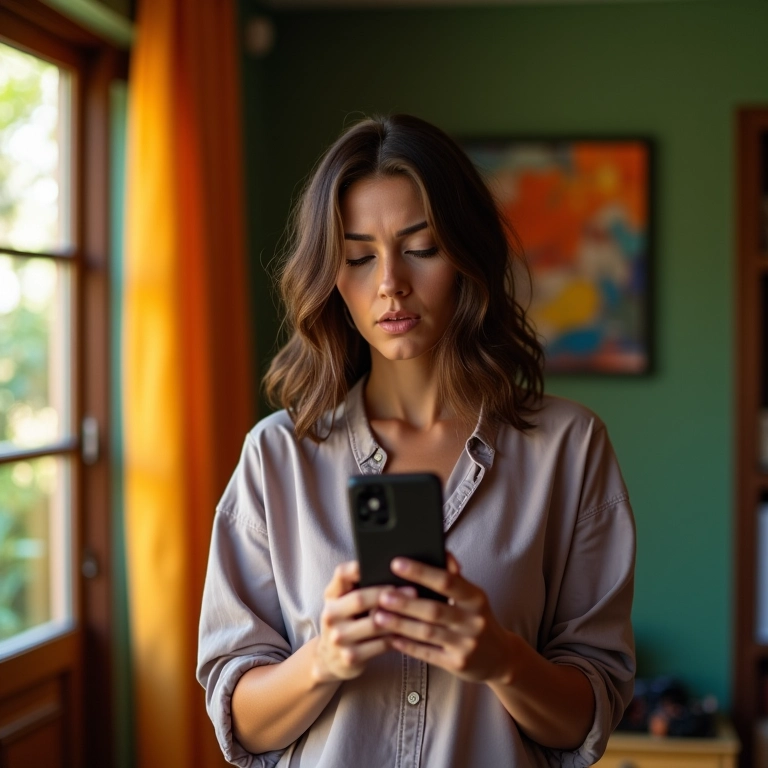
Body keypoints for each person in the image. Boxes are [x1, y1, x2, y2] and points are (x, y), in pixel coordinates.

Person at [196, 114, 636, 768]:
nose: (390, 284)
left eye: (421, 248)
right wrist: (324, 659)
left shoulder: (569, 448)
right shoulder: (276, 457)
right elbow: (240, 723)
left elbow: (586, 718)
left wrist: (502, 660)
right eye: (359, 257)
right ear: (331, 276)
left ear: (466, 256)